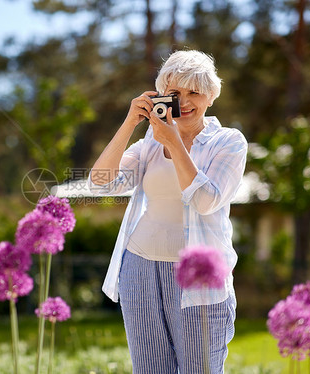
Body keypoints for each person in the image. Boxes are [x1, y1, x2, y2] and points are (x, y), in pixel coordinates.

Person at [88, 50, 248, 373]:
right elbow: (100, 182)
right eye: (176, 94)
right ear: (163, 96)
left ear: (211, 96)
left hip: (199, 279)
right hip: (140, 270)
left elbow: (205, 201)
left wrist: (175, 143)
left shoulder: (228, 143)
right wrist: (130, 122)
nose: (185, 102)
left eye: (194, 92)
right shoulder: (150, 142)